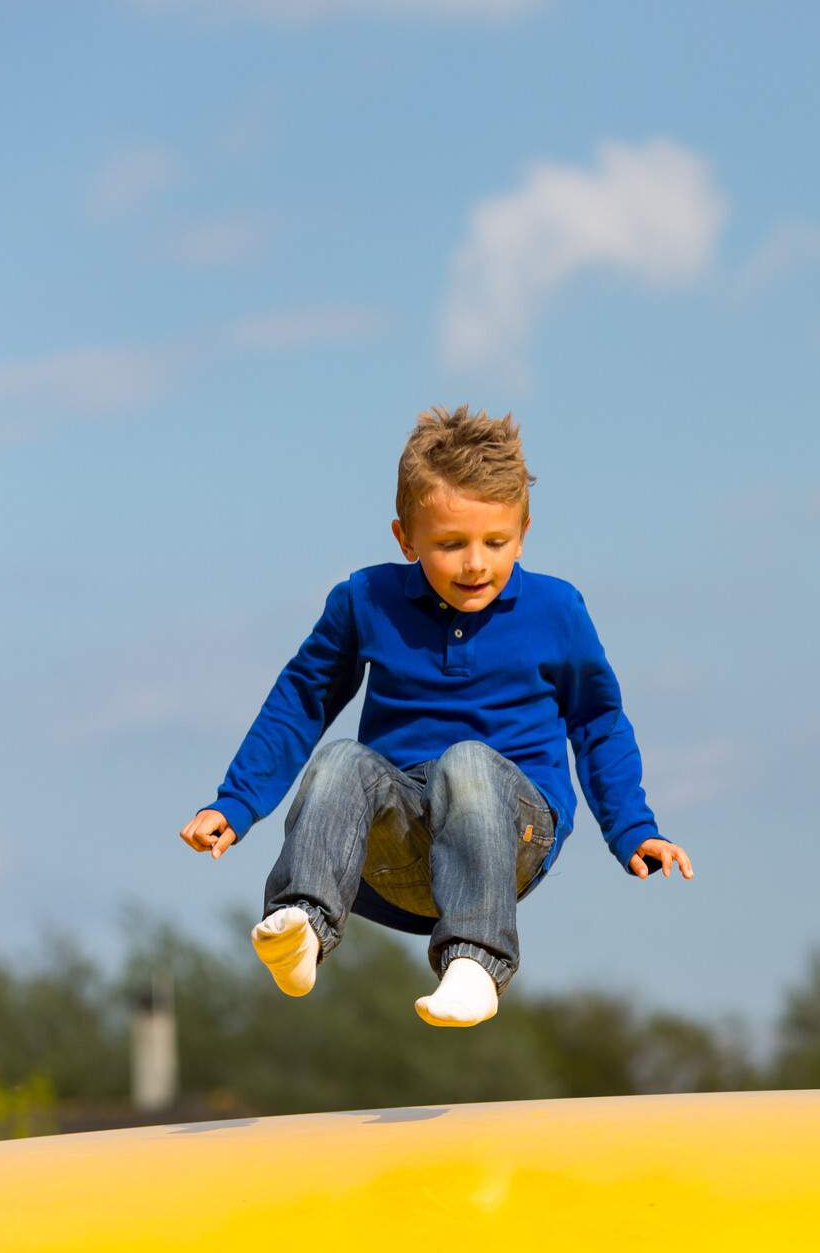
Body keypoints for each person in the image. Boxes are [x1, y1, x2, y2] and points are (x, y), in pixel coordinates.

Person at [179, 406, 692, 1027]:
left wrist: (633, 827)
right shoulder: (365, 600)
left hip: (510, 835)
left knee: (466, 763)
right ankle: (303, 926)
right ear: (406, 538)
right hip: (397, 846)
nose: (476, 563)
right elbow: (301, 701)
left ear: (524, 531)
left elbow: (598, 722)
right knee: (342, 757)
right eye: (451, 544)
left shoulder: (557, 610)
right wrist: (235, 803)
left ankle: (476, 960)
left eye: (495, 543)